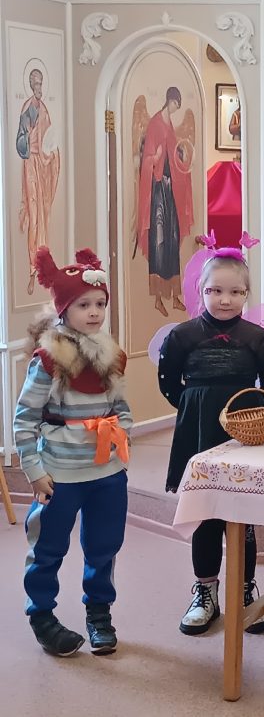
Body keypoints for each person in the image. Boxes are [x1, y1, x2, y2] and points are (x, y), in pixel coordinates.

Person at [157, 248, 264, 636]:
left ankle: (244, 593)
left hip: (242, 434)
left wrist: (246, 418)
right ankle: (205, 593)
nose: (225, 300)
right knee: (206, 514)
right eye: (215, 291)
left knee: (241, 517)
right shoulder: (182, 336)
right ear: (201, 290)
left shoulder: (258, 338)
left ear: (246, 293)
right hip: (198, 433)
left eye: (235, 292)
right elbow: (168, 383)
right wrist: (194, 407)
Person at [15, 247, 131, 657]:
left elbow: (122, 408)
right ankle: (42, 615)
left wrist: (121, 436)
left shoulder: (110, 356)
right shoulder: (48, 360)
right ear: (64, 309)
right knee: (47, 547)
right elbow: (24, 419)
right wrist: (34, 470)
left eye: (100, 304)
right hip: (60, 475)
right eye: (84, 305)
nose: (95, 312)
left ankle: (99, 613)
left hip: (106, 472)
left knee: (104, 546)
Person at [136, 86, 194, 317]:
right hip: (158, 189)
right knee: (159, 240)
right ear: (170, 100)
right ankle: (158, 298)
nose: (176, 108)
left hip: (170, 189)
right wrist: (156, 157)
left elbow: (174, 153)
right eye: (175, 104)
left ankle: (176, 296)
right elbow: (148, 158)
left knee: (172, 238)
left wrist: (182, 159)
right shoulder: (155, 123)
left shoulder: (169, 124)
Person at [16, 68, 61, 296]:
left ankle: (43, 266)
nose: (38, 87)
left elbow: (50, 139)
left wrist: (51, 154)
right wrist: (28, 138)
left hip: (43, 167)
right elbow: (21, 143)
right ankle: (32, 270)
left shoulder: (44, 110)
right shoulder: (28, 109)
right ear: (30, 84)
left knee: (44, 216)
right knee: (34, 218)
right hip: (31, 167)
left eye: (41, 83)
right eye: (35, 83)